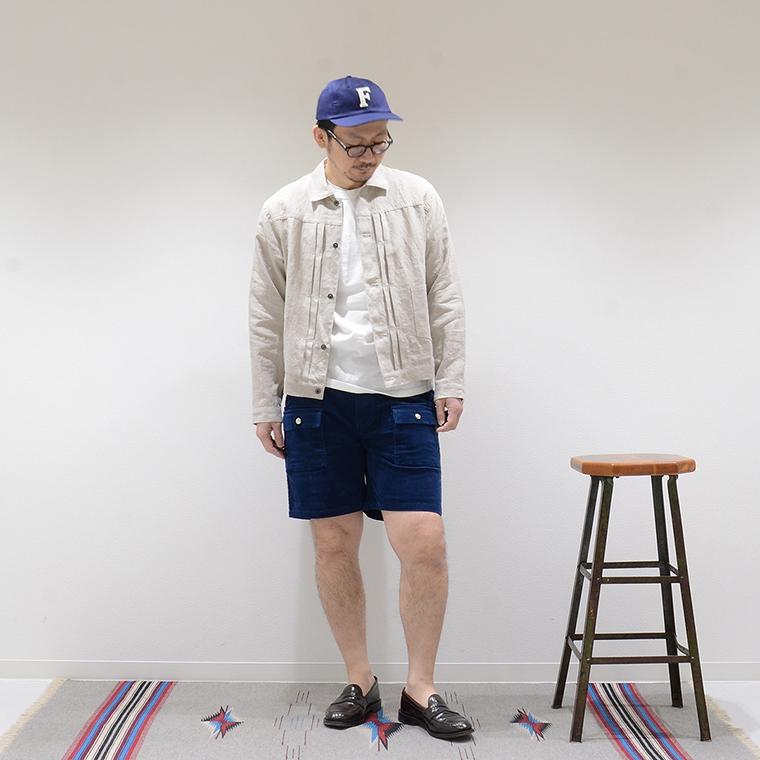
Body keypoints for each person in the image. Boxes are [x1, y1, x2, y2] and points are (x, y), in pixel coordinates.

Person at [248, 74, 471, 741]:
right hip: (315, 402)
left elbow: (445, 292)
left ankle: (421, 689)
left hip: (404, 396)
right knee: (333, 542)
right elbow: (265, 314)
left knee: (424, 542)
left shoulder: (417, 198)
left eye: (380, 142)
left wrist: (451, 378)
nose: (370, 155)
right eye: (356, 145)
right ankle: (360, 680)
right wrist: (265, 401)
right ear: (321, 137)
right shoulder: (284, 210)